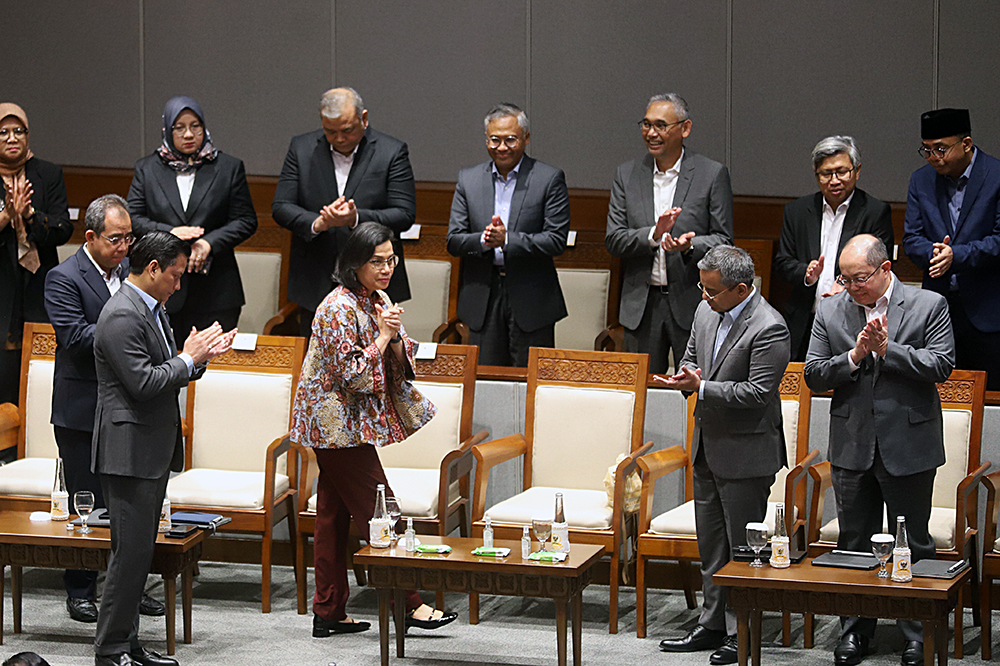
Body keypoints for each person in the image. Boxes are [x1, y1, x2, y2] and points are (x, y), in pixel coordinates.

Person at [290, 222, 457, 637]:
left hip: (351, 425)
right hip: (333, 426)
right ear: (354, 264)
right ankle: (410, 604)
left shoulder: (376, 298)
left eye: (391, 260)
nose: (386, 269)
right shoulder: (336, 308)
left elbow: (404, 353)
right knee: (382, 509)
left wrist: (394, 338)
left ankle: (328, 611)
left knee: (332, 515)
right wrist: (384, 336)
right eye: (376, 262)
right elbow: (353, 376)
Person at [805, 234, 954, 666]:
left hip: (909, 443)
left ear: (885, 269)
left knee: (912, 543)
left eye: (860, 278)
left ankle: (915, 633)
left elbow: (941, 365)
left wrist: (889, 350)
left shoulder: (929, 306)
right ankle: (856, 632)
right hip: (852, 443)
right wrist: (853, 356)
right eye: (845, 279)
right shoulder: (831, 308)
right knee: (854, 541)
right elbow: (814, 373)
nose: (852, 287)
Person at [92, 231, 235, 666]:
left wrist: (200, 357)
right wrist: (187, 358)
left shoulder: (151, 309)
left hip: (148, 447)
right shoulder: (121, 315)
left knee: (139, 554)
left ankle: (129, 644)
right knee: (129, 555)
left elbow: (163, 370)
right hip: (128, 449)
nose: (179, 285)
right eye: (174, 275)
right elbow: (143, 382)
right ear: (153, 268)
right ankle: (111, 649)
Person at [656, 245, 790, 665]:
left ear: (741, 289)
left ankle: (742, 630)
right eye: (702, 287)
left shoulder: (770, 327)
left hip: (747, 453)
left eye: (711, 291)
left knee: (743, 550)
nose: (703, 297)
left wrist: (702, 388)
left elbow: (757, 393)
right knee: (712, 544)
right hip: (706, 446)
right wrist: (685, 378)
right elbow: (693, 358)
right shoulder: (704, 312)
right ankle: (713, 623)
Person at [44, 195, 164, 623]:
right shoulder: (63, 277)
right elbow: (75, 338)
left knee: (125, 509)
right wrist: (125, 333)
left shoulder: (128, 277)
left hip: (126, 411)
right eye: (117, 238)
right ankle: (80, 588)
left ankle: (127, 587)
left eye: (130, 237)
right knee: (85, 502)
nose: (125, 247)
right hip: (81, 410)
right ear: (91, 236)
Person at [606, 93, 733, 374]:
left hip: (693, 302)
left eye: (661, 125)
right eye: (646, 124)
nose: (652, 133)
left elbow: (723, 240)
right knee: (641, 393)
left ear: (684, 129)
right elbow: (614, 239)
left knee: (694, 393)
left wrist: (689, 246)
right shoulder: (627, 174)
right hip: (642, 306)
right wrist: (654, 234)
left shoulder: (711, 174)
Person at [273, 87, 415, 336]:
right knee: (319, 364)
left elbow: (404, 213)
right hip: (315, 279)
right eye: (330, 131)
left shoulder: (391, 151)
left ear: (364, 118)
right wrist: (318, 222)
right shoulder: (302, 148)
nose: (339, 138)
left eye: (347, 130)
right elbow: (281, 206)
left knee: (375, 361)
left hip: (373, 280)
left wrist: (356, 218)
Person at [127, 95, 257, 347]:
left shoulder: (228, 167)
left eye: (195, 126)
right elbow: (133, 218)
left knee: (215, 372)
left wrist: (208, 243)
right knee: (166, 368)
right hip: (161, 289)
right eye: (180, 127)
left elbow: (246, 220)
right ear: (167, 130)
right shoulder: (147, 169)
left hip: (216, 290)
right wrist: (170, 234)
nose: (188, 134)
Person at [446, 103, 570, 366]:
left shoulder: (548, 178)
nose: (502, 147)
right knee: (485, 382)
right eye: (495, 140)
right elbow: (454, 241)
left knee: (530, 384)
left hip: (531, 297)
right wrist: (483, 240)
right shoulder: (468, 179)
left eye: (510, 139)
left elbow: (556, 240)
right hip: (483, 295)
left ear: (526, 138)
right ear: (486, 139)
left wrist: (509, 240)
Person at [901, 108, 1000, 390]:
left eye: (941, 149)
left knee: (989, 398)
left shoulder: (996, 176)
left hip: (987, 311)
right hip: (937, 306)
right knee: (936, 395)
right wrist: (936, 253)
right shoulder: (920, 180)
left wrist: (956, 256)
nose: (934, 158)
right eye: (927, 150)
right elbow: (912, 238)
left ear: (966, 144)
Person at [774, 136, 894, 361]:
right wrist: (807, 274)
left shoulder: (875, 212)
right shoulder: (797, 211)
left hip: (853, 317)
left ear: (857, 171)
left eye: (842, 172)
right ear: (816, 174)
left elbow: (880, 266)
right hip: (804, 317)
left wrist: (844, 283)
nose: (835, 180)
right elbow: (782, 262)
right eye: (826, 174)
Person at [0, 102, 72, 406]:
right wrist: (6, 216)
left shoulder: (48, 173)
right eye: (3, 131)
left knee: (38, 370)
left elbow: (63, 229)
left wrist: (30, 214)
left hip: (38, 285)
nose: (12, 138)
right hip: (1, 285)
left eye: (20, 131)